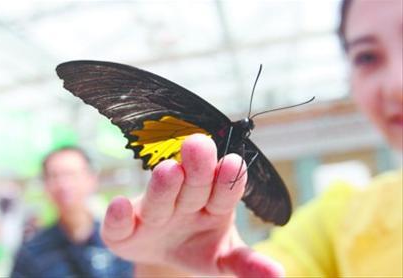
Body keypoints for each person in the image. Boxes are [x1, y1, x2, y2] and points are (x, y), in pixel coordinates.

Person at [101, 0, 402, 277]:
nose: (396, 84)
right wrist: (164, 261)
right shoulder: (341, 219)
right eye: (367, 57)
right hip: (172, 143)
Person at [11, 146, 134, 277]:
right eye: (54, 176)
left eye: (71, 174)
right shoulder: (31, 252)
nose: (63, 184)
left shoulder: (118, 241)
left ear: (91, 179)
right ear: (45, 185)